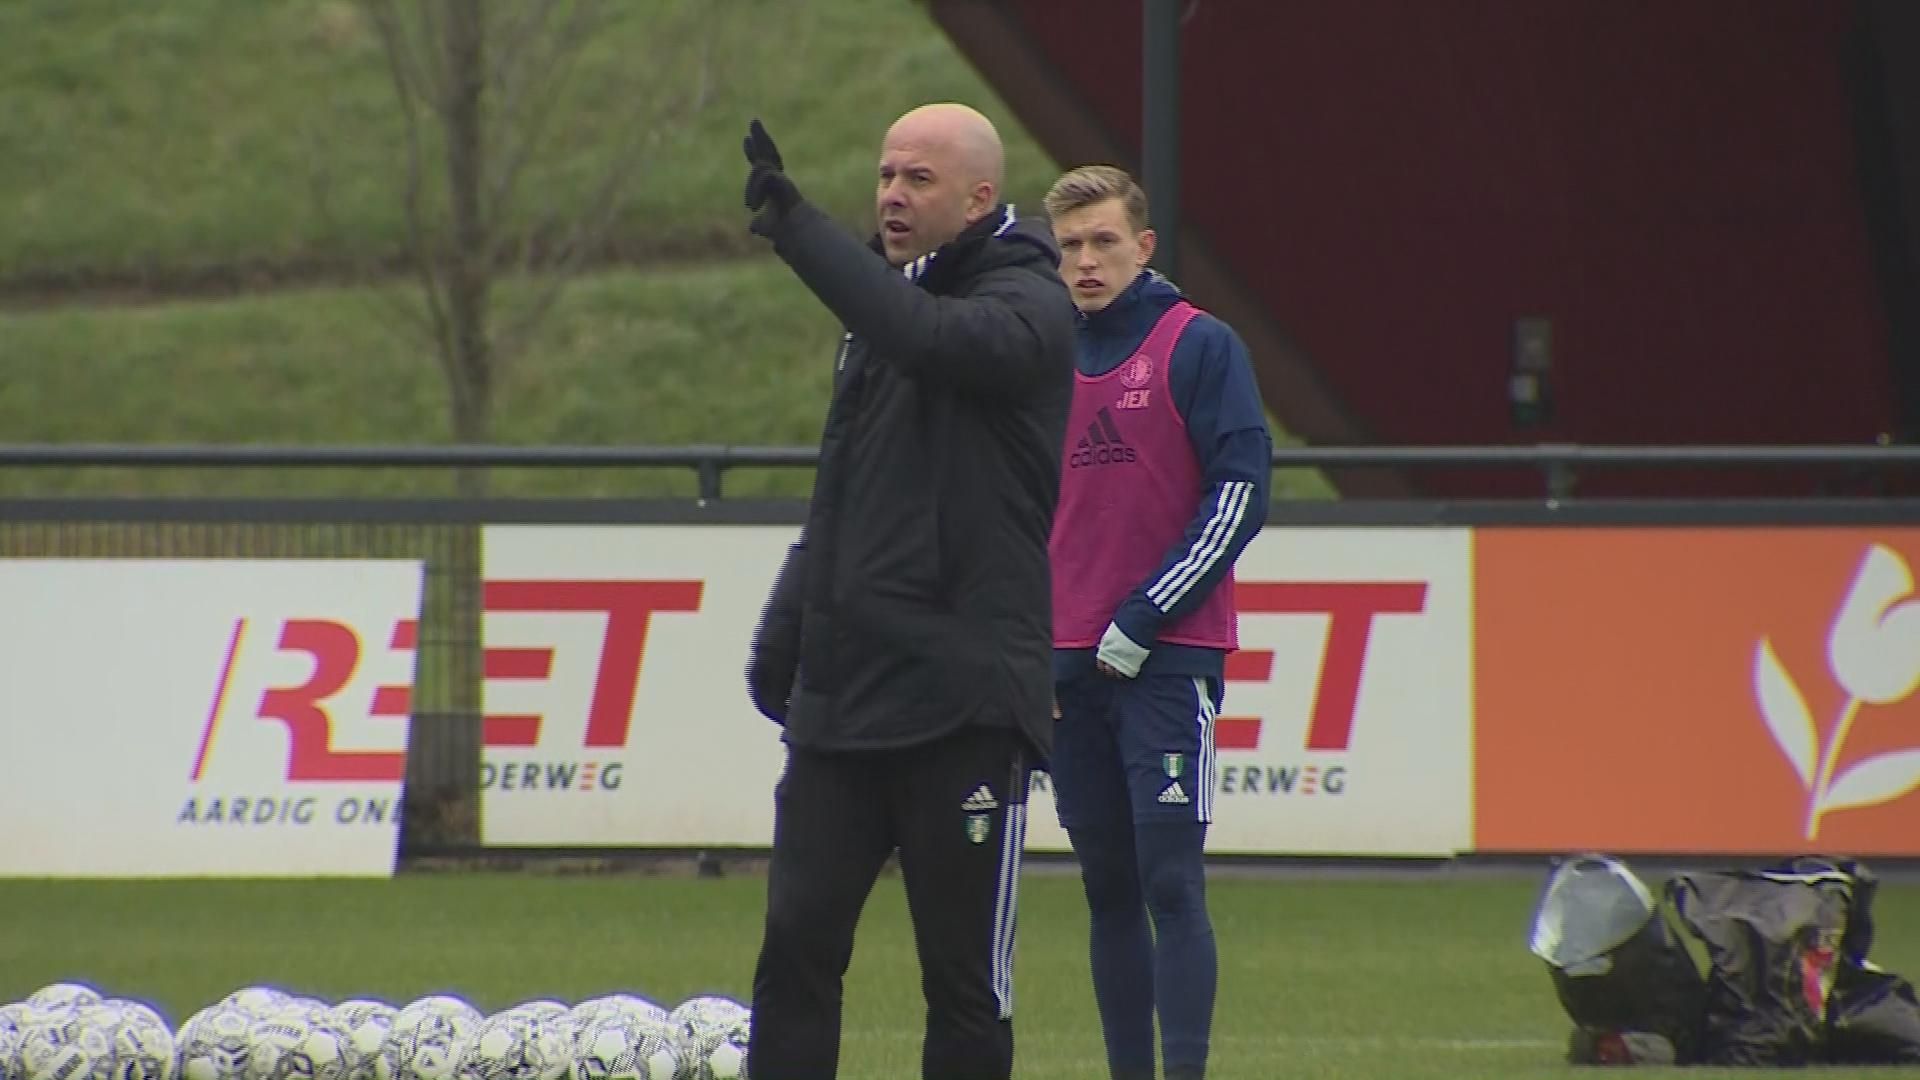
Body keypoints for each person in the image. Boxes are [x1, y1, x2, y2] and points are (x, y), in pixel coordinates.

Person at [736, 104, 1077, 1080]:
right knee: (796, 952)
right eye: (885, 175)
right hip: (846, 711)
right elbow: (842, 490)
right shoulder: (879, 319)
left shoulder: (1028, 304)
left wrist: (800, 230)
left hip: (964, 708)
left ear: (979, 198)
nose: (891, 194)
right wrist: (787, 632)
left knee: (964, 980)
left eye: (916, 179)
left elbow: (924, 335)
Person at [1041, 164, 1273, 1080]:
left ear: (1143, 248)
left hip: (1165, 660)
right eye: (1069, 247)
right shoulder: (1041, 352)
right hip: (1062, 665)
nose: (1086, 262)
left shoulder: (1200, 345)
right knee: (1105, 890)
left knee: (1170, 885)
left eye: (1103, 242)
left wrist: (1146, 613)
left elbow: (1242, 493)